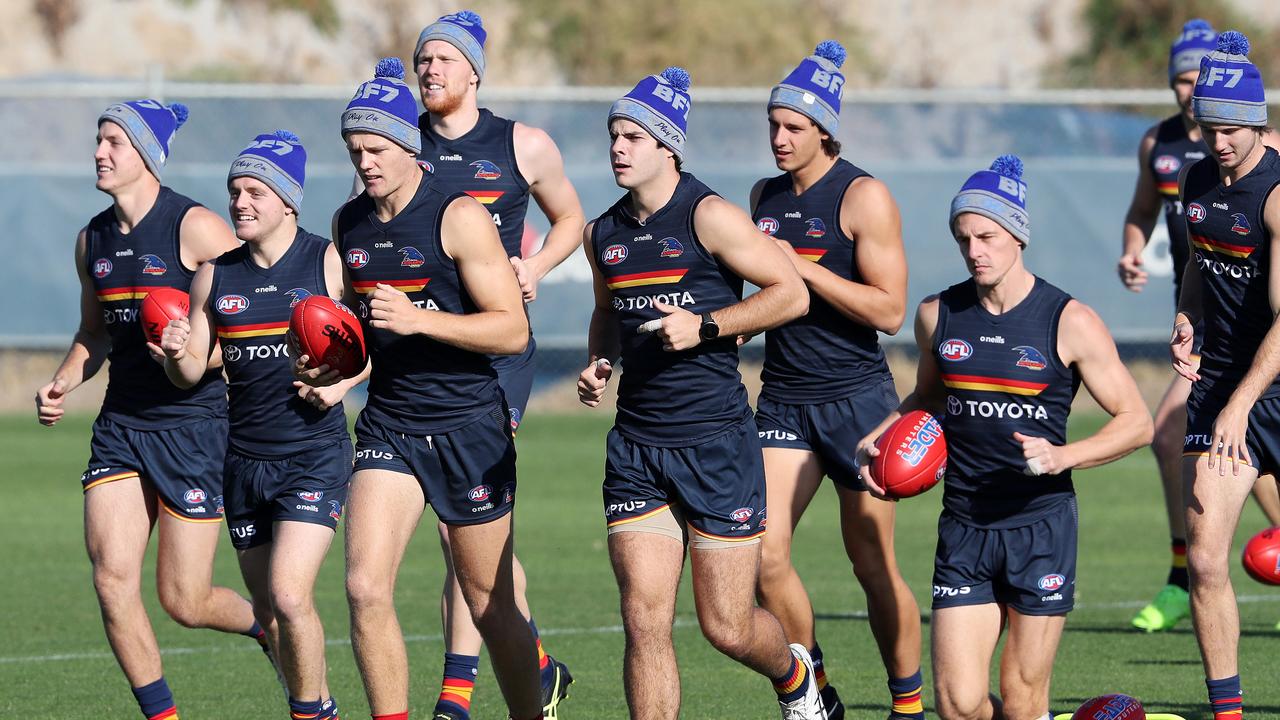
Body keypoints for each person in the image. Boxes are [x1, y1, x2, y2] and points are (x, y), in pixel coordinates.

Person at [859, 155, 1152, 720]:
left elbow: (1135, 420)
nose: (974, 251)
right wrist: (882, 435)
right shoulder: (936, 315)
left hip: (1039, 526)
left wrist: (1063, 456)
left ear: (1018, 235)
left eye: (987, 236)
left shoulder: (1069, 320)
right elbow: (927, 398)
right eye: (963, 238)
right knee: (958, 704)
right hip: (965, 524)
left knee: (1022, 699)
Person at [577, 66, 823, 719]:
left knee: (728, 628)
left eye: (633, 136)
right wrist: (602, 357)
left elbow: (791, 294)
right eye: (614, 136)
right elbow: (609, 309)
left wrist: (709, 325)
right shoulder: (603, 233)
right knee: (643, 617)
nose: (619, 148)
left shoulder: (709, 215)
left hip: (715, 444)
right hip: (637, 448)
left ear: (668, 147)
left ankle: (795, 679)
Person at [305, 58, 542, 720]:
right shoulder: (348, 223)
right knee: (362, 587)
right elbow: (359, 330)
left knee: (489, 602)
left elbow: (511, 331)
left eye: (377, 148)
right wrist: (334, 363)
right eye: (355, 150)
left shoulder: (460, 216)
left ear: (409, 145)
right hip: (390, 426)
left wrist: (419, 319)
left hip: (470, 426)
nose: (366, 162)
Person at [33, 99, 268, 720]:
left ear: (146, 154)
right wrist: (62, 381)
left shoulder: (197, 228)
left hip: (194, 429)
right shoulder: (93, 239)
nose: (99, 152)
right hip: (120, 427)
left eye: (113, 140)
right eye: (99, 139)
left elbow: (246, 325)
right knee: (112, 581)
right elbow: (96, 333)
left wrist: (198, 353)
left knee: (184, 601)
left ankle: (269, 626)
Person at [411, 11, 583, 717]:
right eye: (424, 62)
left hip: (492, 359)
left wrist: (537, 263)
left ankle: (457, 693)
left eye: (445, 60)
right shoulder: (398, 145)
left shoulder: (522, 145)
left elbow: (572, 216)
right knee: (469, 534)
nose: (431, 71)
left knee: (463, 523)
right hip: (416, 360)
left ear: (475, 72)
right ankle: (535, 664)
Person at [749, 41, 924, 720]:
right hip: (785, 397)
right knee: (762, 557)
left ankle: (906, 704)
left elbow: (889, 309)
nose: (779, 138)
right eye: (772, 125)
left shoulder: (863, 196)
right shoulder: (762, 197)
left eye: (793, 127)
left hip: (859, 405)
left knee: (871, 565)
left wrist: (805, 269)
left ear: (824, 129)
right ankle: (814, 688)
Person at [161, 130, 359, 720]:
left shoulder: (326, 260)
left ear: (288, 200)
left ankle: (309, 712)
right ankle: (318, 704)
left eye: (255, 191)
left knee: (291, 594)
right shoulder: (214, 276)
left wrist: (341, 385)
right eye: (234, 190)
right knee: (270, 614)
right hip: (243, 463)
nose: (240, 202)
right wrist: (175, 351)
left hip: (314, 455)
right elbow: (191, 371)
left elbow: (371, 348)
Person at [1117, 19, 1280, 633]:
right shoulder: (1170, 155)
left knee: (1226, 442)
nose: (1189, 90)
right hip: (1214, 351)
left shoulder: (1269, 173)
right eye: (1182, 80)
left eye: (1197, 78)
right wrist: (1181, 307)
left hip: (1263, 354)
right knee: (1173, 439)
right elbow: (1155, 227)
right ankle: (1185, 575)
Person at [1172, 31, 1280, 719]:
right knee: (1206, 561)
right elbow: (1197, 260)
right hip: (1220, 389)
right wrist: (1187, 317)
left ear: (1260, 123)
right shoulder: (1198, 179)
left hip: (1271, 387)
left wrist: (1242, 403)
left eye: (1233, 130)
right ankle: (1229, 713)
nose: (1220, 143)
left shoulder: (1276, 196)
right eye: (1210, 129)